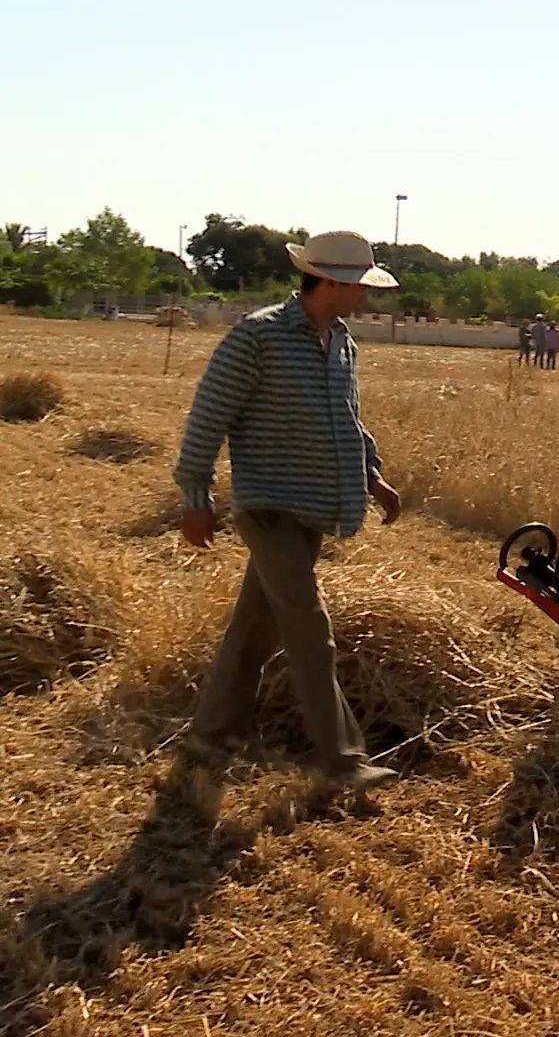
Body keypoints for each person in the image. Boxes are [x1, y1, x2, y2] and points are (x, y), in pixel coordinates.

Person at [172, 230, 405, 792]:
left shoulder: (342, 341)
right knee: (308, 626)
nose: (364, 298)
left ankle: (209, 735)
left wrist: (373, 476)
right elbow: (208, 418)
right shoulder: (258, 337)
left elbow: (346, 419)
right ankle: (341, 760)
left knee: (255, 626)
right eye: (357, 287)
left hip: (315, 506)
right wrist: (195, 498)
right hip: (268, 504)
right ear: (326, 281)